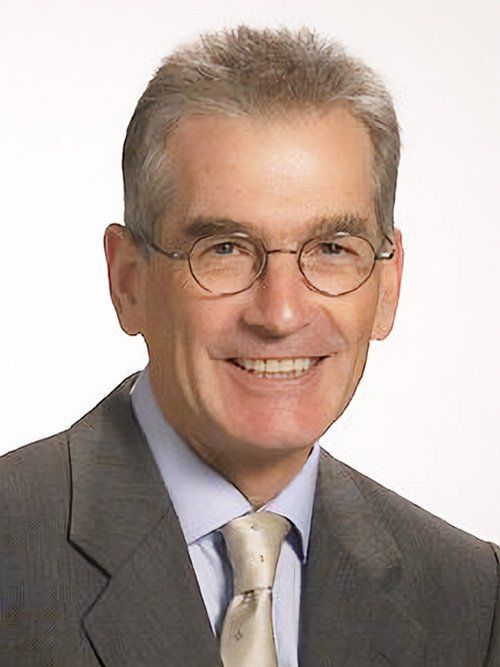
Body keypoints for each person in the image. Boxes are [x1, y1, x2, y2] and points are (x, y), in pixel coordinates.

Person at [1, 25, 498, 667]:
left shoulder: (471, 597)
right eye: (226, 248)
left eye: (332, 249)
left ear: (388, 285)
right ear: (128, 281)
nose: (281, 313)